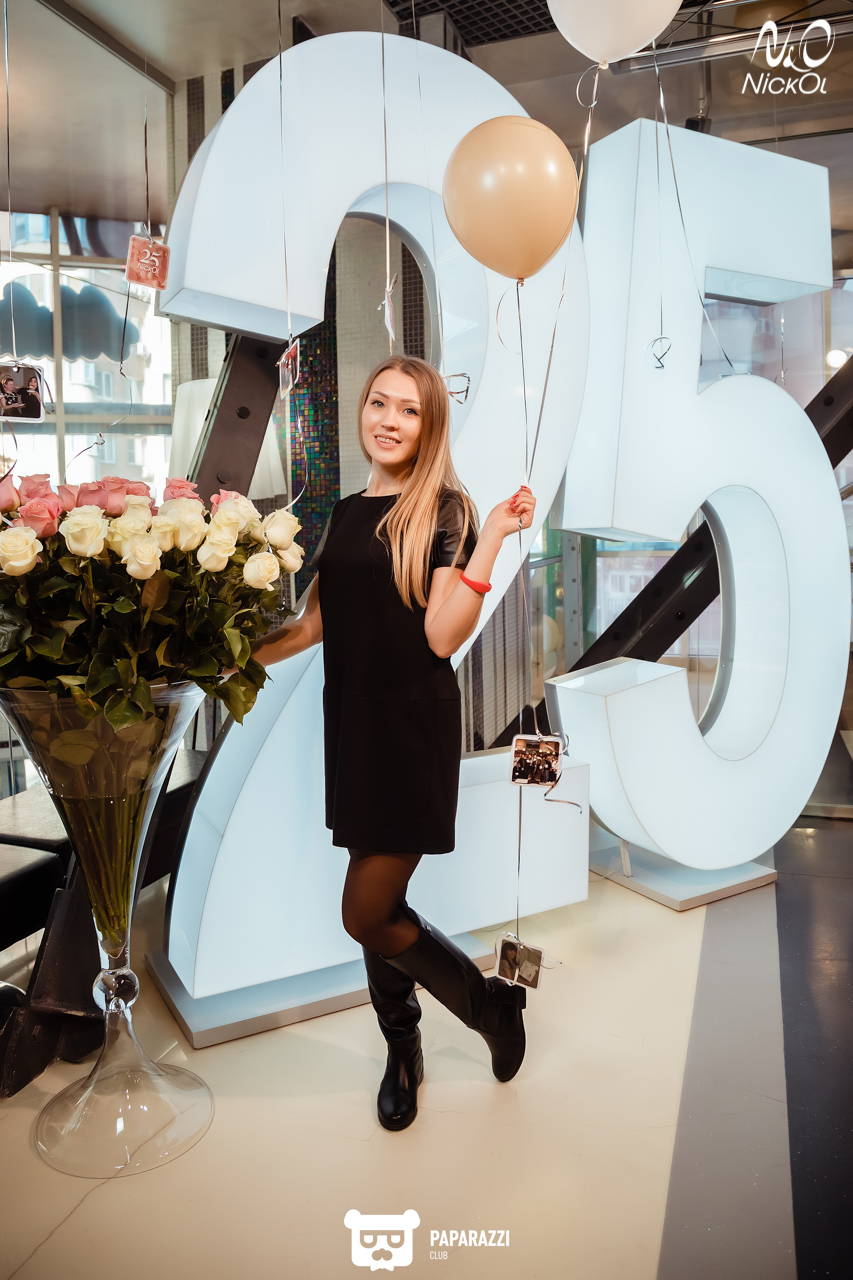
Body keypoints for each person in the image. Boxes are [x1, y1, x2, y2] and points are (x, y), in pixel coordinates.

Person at [253, 354, 536, 1132]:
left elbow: (441, 636)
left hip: (410, 729)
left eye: (408, 410)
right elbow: (311, 626)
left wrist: (492, 537)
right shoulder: (345, 513)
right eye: (379, 402)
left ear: (429, 424)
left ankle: (487, 1005)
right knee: (380, 907)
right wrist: (221, 658)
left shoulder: (447, 511)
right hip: (352, 723)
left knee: (367, 910)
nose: (387, 419)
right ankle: (402, 1049)